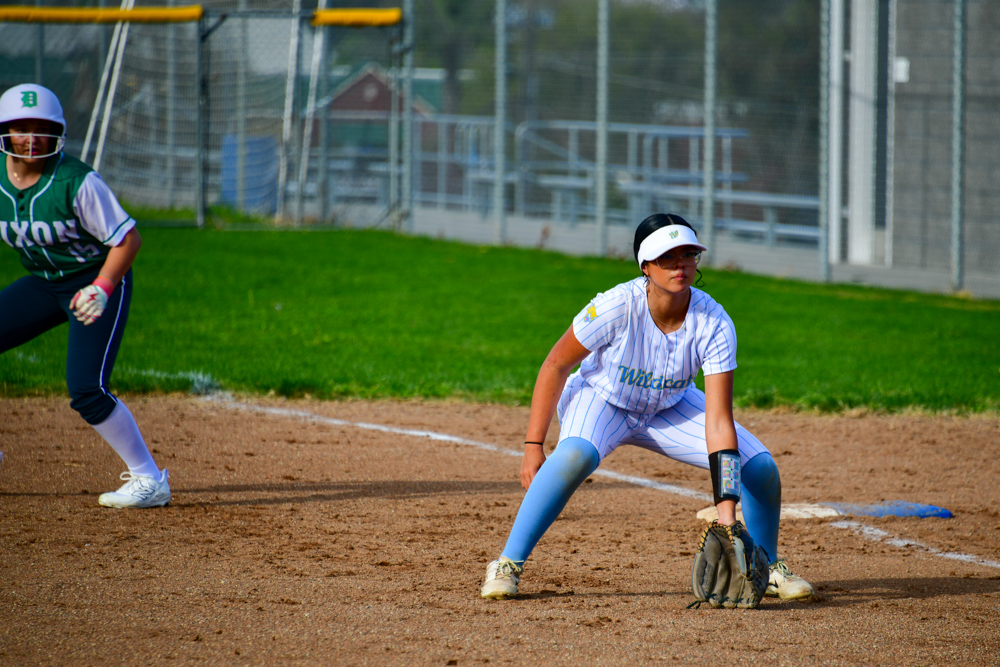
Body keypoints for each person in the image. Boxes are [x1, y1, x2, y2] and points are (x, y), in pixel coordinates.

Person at [480, 213, 813, 601]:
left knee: (760, 468)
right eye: (667, 257)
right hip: (602, 398)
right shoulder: (616, 306)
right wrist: (533, 445)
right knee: (574, 456)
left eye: (687, 255)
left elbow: (720, 422)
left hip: (671, 405)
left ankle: (766, 566)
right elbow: (556, 364)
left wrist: (727, 519)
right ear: (645, 266)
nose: (680, 265)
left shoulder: (714, 322)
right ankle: (507, 564)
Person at [0, 83, 170, 508]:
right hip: (43, 281)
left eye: (42, 128)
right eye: (21, 128)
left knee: (86, 389)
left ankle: (149, 480)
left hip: (94, 281)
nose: (31, 138)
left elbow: (127, 240)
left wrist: (103, 286)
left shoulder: (77, 181)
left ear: (58, 132)